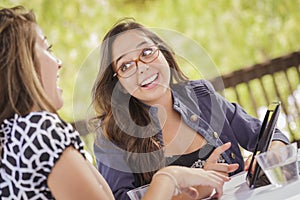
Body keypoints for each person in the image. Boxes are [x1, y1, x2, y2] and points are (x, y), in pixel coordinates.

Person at [0, 6, 230, 200]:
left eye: (147, 52)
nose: (58, 62)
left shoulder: (12, 137)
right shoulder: (40, 131)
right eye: (47, 48)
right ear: (22, 64)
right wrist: (169, 177)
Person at [91, 19, 290, 200]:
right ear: (117, 83)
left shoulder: (202, 96)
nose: (141, 67)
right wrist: (195, 190)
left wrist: (271, 155)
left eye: (146, 52)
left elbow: (271, 137)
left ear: (163, 53)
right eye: (125, 66)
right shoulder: (110, 137)